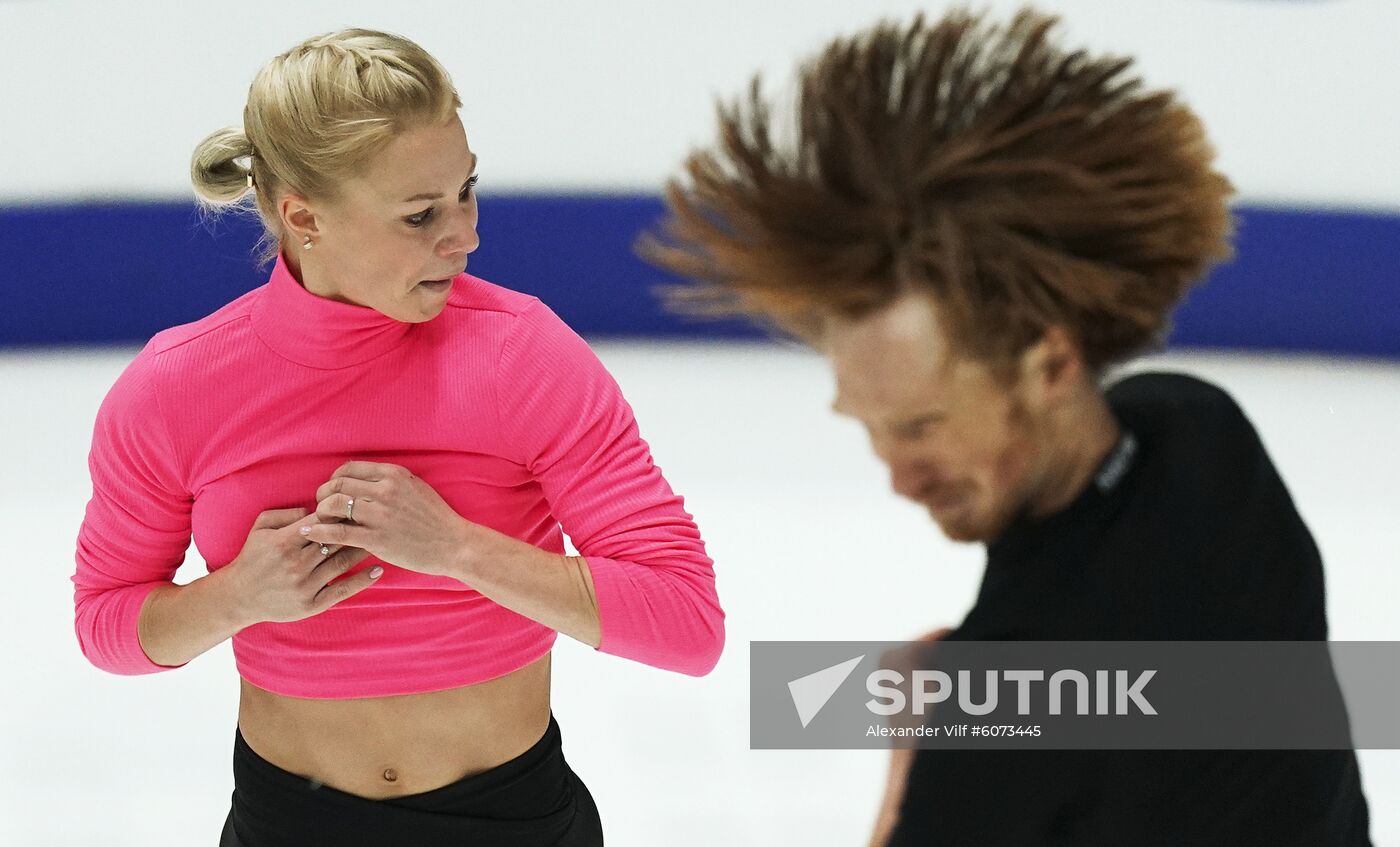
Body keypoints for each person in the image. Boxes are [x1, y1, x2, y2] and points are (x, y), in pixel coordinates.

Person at [639, 6, 1371, 845]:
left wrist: (914, 755)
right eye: (870, 426)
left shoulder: (999, 731)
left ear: (1051, 364)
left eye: (921, 425)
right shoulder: (1203, 434)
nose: (897, 474)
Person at [70, 27, 724, 847]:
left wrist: (457, 548)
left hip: (512, 822)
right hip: (288, 824)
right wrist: (235, 597)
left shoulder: (524, 355)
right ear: (302, 215)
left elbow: (688, 624)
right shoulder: (177, 388)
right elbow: (106, 623)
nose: (465, 236)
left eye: (466, 192)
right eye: (421, 214)